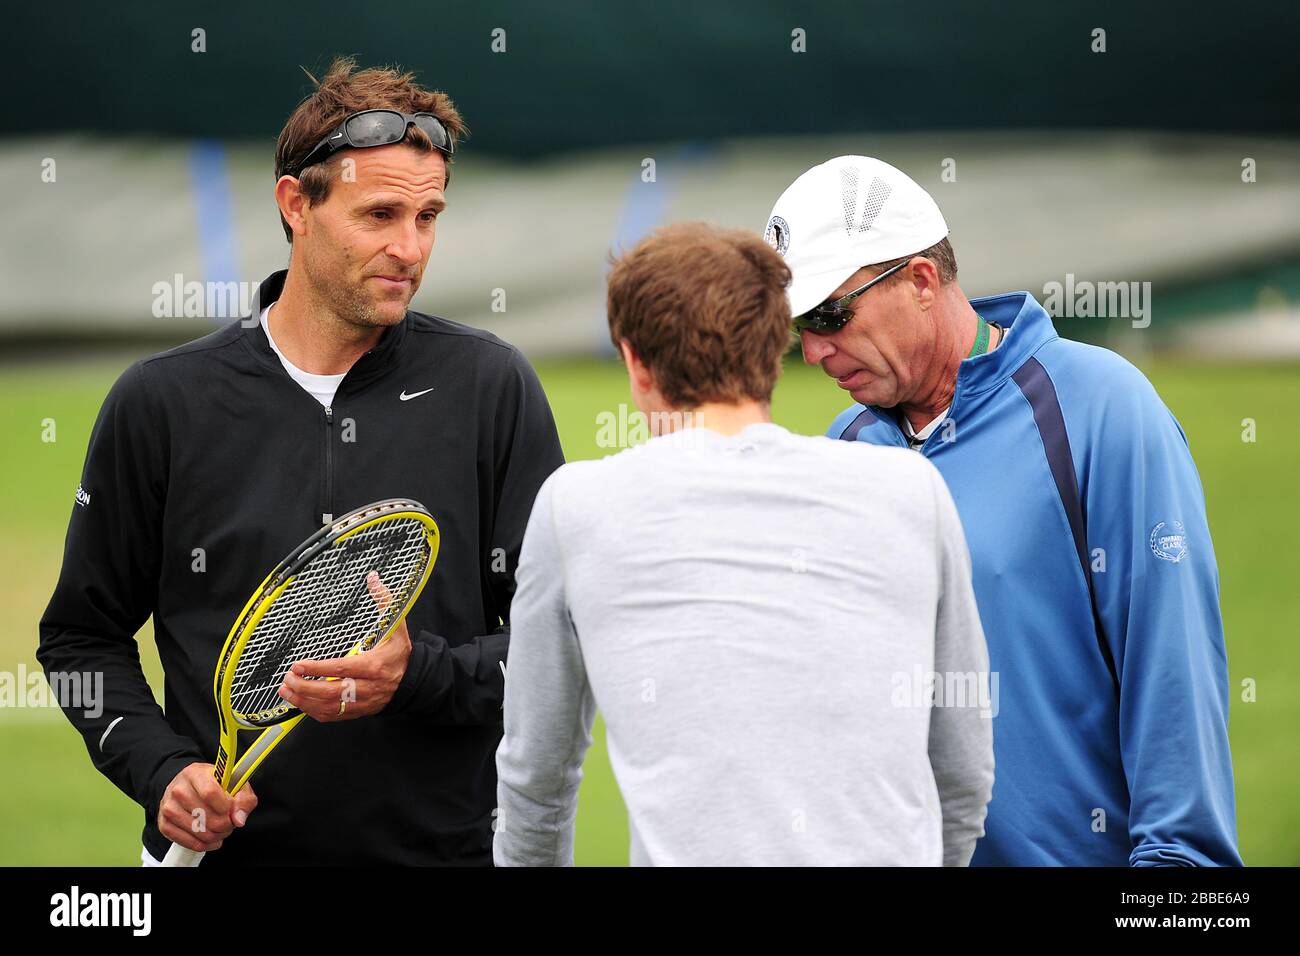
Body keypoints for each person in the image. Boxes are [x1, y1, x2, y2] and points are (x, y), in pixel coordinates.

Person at [37, 57, 563, 865]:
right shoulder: (160, 401)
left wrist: (417, 675)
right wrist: (162, 768)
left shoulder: (491, 386)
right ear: (297, 205)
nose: (409, 248)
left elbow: (552, 642)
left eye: (428, 217)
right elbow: (80, 638)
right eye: (380, 213)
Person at [763, 155, 1242, 866]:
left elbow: (1173, 685)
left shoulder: (1100, 408)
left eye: (831, 314)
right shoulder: (842, 450)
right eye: (799, 324)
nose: (814, 350)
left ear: (922, 281)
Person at [494, 222, 994, 866]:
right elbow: (964, 773)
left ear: (634, 362)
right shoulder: (913, 490)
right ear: (772, 352)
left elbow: (536, 782)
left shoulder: (573, 507)